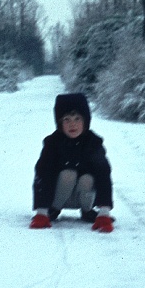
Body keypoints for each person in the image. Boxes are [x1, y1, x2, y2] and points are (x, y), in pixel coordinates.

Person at [29, 92, 114, 232]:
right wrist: (41, 211)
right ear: (59, 122)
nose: (72, 124)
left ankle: (87, 211)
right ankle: (53, 210)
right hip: (57, 196)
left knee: (87, 178)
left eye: (77, 119)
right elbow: (43, 174)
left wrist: (104, 212)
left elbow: (103, 174)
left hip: (84, 197)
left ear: (86, 120)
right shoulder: (53, 143)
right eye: (66, 119)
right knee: (68, 174)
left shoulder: (93, 143)